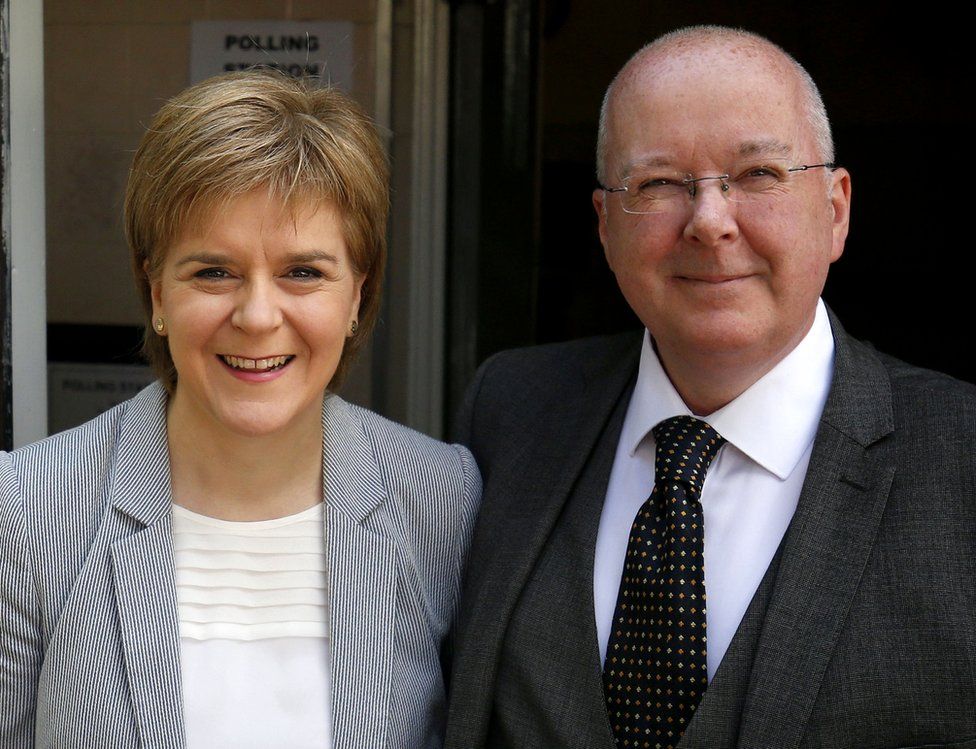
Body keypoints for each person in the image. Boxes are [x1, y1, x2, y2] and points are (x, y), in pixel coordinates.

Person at [445, 25, 976, 749]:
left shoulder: (962, 455)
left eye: (758, 175)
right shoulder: (511, 410)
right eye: (659, 183)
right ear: (604, 226)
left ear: (836, 208)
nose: (710, 222)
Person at [0, 70, 480, 748]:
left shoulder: (443, 499)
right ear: (157, 292)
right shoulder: (29, 511)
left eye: (303, 272)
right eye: (213, 271)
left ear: (356, 296)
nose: (257, 316)